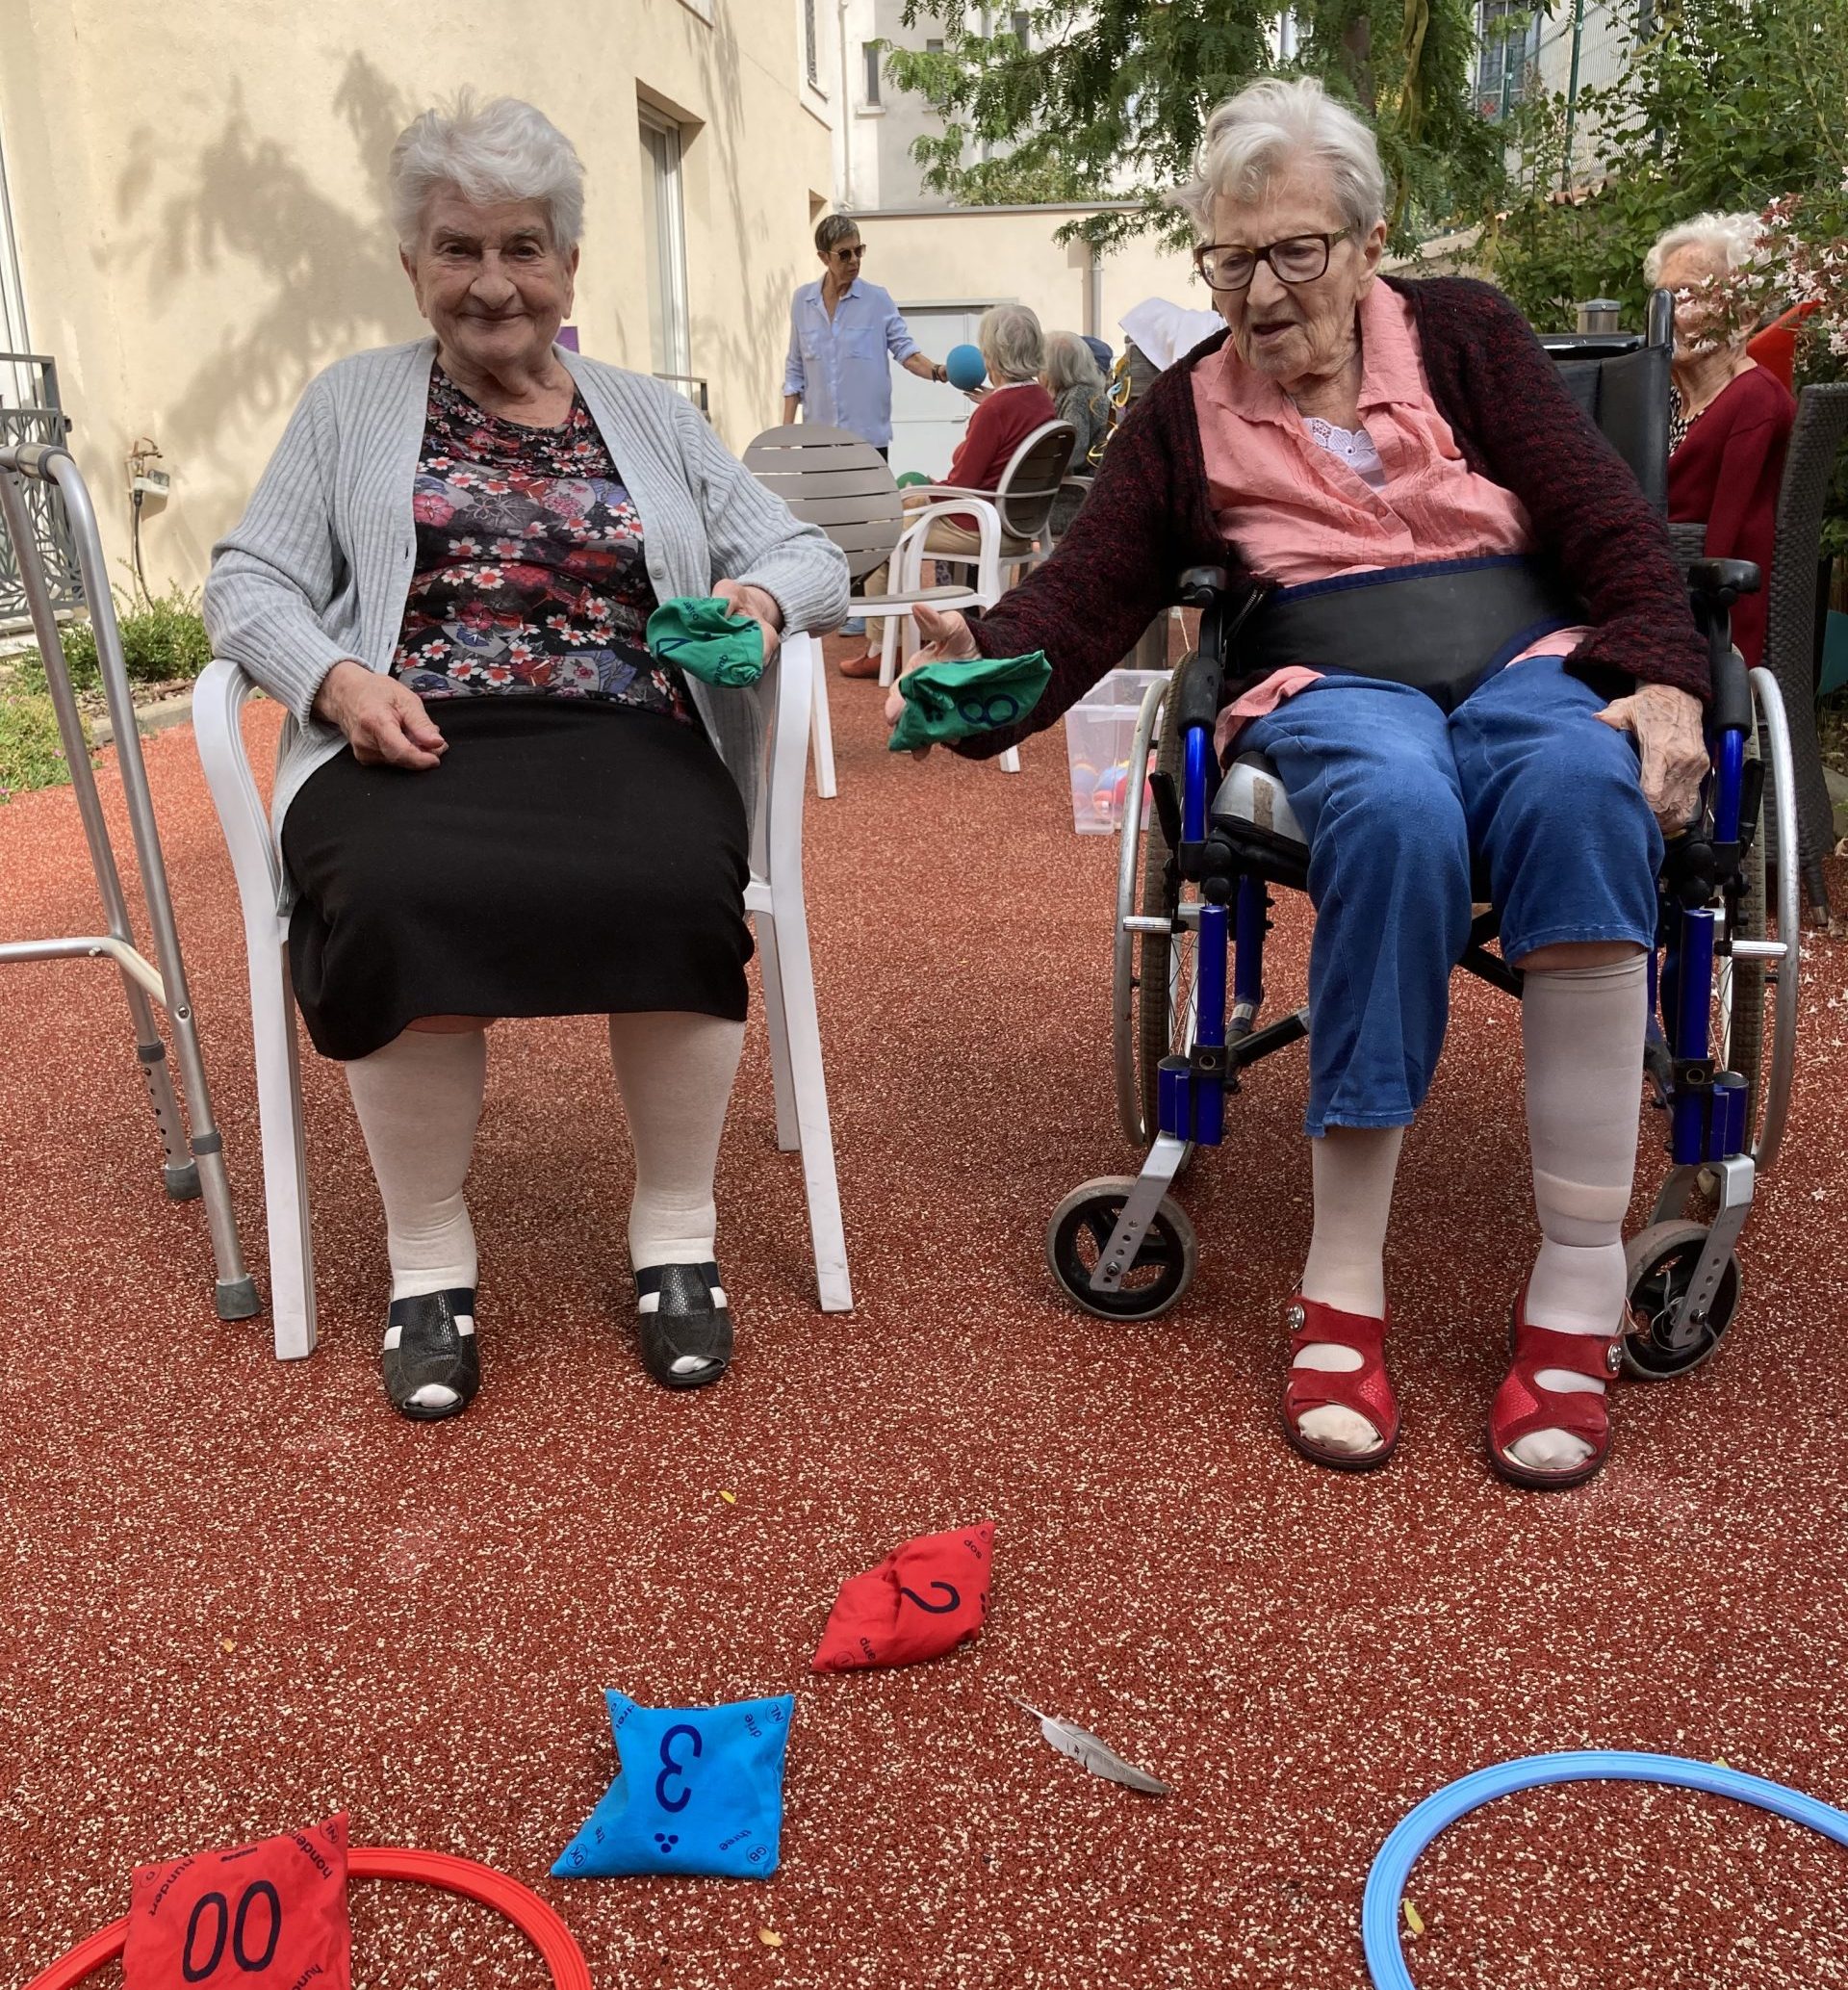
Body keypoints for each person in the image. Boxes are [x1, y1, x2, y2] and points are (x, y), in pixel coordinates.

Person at [889, 76, 1711, 1491]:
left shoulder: (1465, 333)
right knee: (1390, 812)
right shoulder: (1182, 411)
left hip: (1527, 655)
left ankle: (1577, 1286)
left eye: (1295, 251)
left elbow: (1601, 512)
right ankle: (1342, 1285)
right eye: (1231, 258)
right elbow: (1085, 593)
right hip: (1334, 677)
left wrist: (1665, 666)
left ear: (1367, 239)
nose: (1262, 292)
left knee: (1590, 792)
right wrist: (983, 658)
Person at [203, 93, 848, 1422]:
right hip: (408, 735)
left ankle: (675, 1231)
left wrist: (763, 604)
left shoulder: (649, 416)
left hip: (623, 727)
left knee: (678, 874)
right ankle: (430, 1256)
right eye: (457, 249)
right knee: (391, 891)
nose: (492, 282)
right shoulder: (350, 406)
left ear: (567, 266)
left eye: (522, 247)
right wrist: (333, 675)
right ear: (412, 266)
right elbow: (245, 581)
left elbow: (807, 549)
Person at [841, 302, 1059, 679]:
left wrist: (924, 490)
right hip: (1019, 526)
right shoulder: (1042, 401)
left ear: (992, 354)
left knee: (887, 528)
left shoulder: (993, 413)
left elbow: (962, 485)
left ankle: (881, 647)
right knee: (911, 504)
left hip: (977, 524)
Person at [783, 215, 951, 639]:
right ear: (823, 256)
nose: (855, 260)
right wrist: (784, 435)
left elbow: (905, 351)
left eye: (860, 250)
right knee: (823, 525)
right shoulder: (802, 302)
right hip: (819, 439)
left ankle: (864, 609)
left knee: (868, 526)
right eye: (845, 253)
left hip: (867, 436)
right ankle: (831, 603)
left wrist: (938, 371)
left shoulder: (877, 300)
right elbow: (794, 372)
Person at [1647, 212, 1797, 670]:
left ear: (1745, 316)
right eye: (1662, 298)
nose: (1670, 314)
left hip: (1710, 623)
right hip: (1652, 592)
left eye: (1689, 297)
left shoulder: (1755, 400)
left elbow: (1724, 544)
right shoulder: (1661, 396)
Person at [1042, 329, 1110, 535]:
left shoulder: (1079, 396)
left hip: (1071, 503)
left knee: (993, 511)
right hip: (1073, 497)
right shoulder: (1081, 393)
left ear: (1055, 368)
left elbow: (1070, 455)